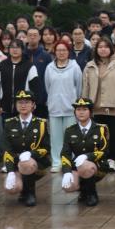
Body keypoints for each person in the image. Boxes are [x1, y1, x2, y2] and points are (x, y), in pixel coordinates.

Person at [82, 37, 115, 172]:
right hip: (95, 107)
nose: (103, 49)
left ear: (111, 49)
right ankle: (99, 158)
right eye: (100, 47)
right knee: (97, 136)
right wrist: (85, 105)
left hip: (113, 107)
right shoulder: (90, 66)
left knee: (114, 135)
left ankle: (113, 159)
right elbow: (85, 87)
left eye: (106, 47)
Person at [0, 90, 51, 207]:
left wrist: (31, 154)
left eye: (27, 102)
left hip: (35, 163)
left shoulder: (41, 124)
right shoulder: (9, 123)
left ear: (33, 105)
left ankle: (30, 193)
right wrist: (10, 171)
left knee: (27, 164)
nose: (23, 105)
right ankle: (22, 189)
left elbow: (46, 148)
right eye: (20, 102)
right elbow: (7, 149)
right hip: (15, 162)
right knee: (12, 188)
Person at [59, 97, 109, 207]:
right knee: (68, 185)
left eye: (85, 109)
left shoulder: (101, 129)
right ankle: (83, 190)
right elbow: (65, 153)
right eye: (78, 109)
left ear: (90, 112)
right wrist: (67, 171)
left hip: (96, 165)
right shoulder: (70, 130)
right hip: (77, 165)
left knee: (86, 167)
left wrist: (87, 156)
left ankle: (91, 193)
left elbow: (104, 151)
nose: (81, 112)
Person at [45, 39, 83, 173]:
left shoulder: (75, 67)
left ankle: (69, 161)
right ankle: (57, 162)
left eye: (64, 50)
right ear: (55, 52)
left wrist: (75, 103)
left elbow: (79, 87)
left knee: (71, 137)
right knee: (55, 138)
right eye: (58, 50)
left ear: (68, 52)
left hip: (70, 108)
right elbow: (48, 86)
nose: (61, 53)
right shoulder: (49, 68)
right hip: (54, 108)